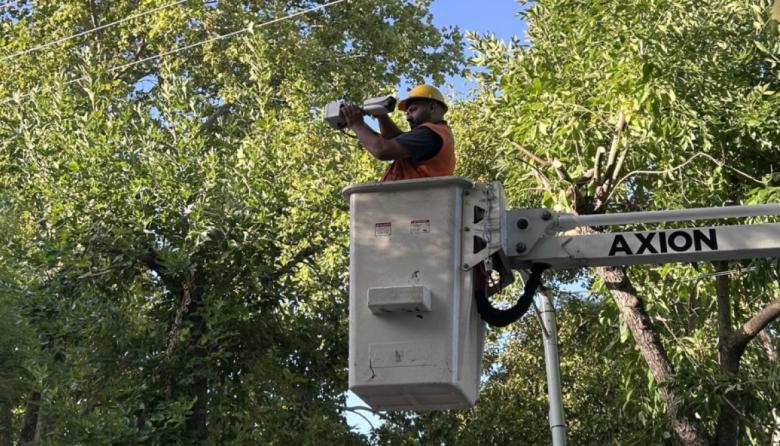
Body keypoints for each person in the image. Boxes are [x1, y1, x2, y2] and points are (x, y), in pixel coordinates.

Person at [342, 84, 455, 182]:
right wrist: (382, 116)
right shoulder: (438, 133)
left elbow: (382, 150)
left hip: (412, 203)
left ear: (431, 107)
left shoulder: (429, 134)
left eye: (413, 110)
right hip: (414, 202)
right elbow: (395, 137)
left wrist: (356, 123)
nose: (408, 118)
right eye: (407, 113)